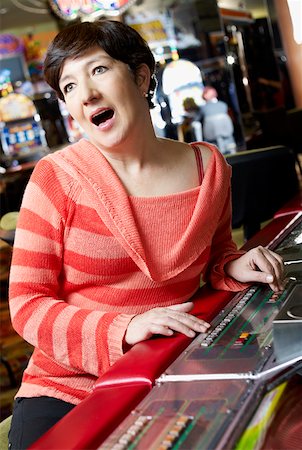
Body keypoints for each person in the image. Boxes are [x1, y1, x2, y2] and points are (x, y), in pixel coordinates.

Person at [8, 19, 284, 449]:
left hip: (168, 369)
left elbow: (216, 257)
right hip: (66, 386)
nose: (86, 94)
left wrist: (234, 264)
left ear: (140, 76)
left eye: (98, 70)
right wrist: (124, 328)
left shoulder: (208, 169)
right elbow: (26, 305)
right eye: (69, 87)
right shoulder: (55, 179)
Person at [200, 86, 236, 155]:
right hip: (228, 138)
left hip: (212, 141)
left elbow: (196, 120)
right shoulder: (223, 105)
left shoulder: (203, 108)